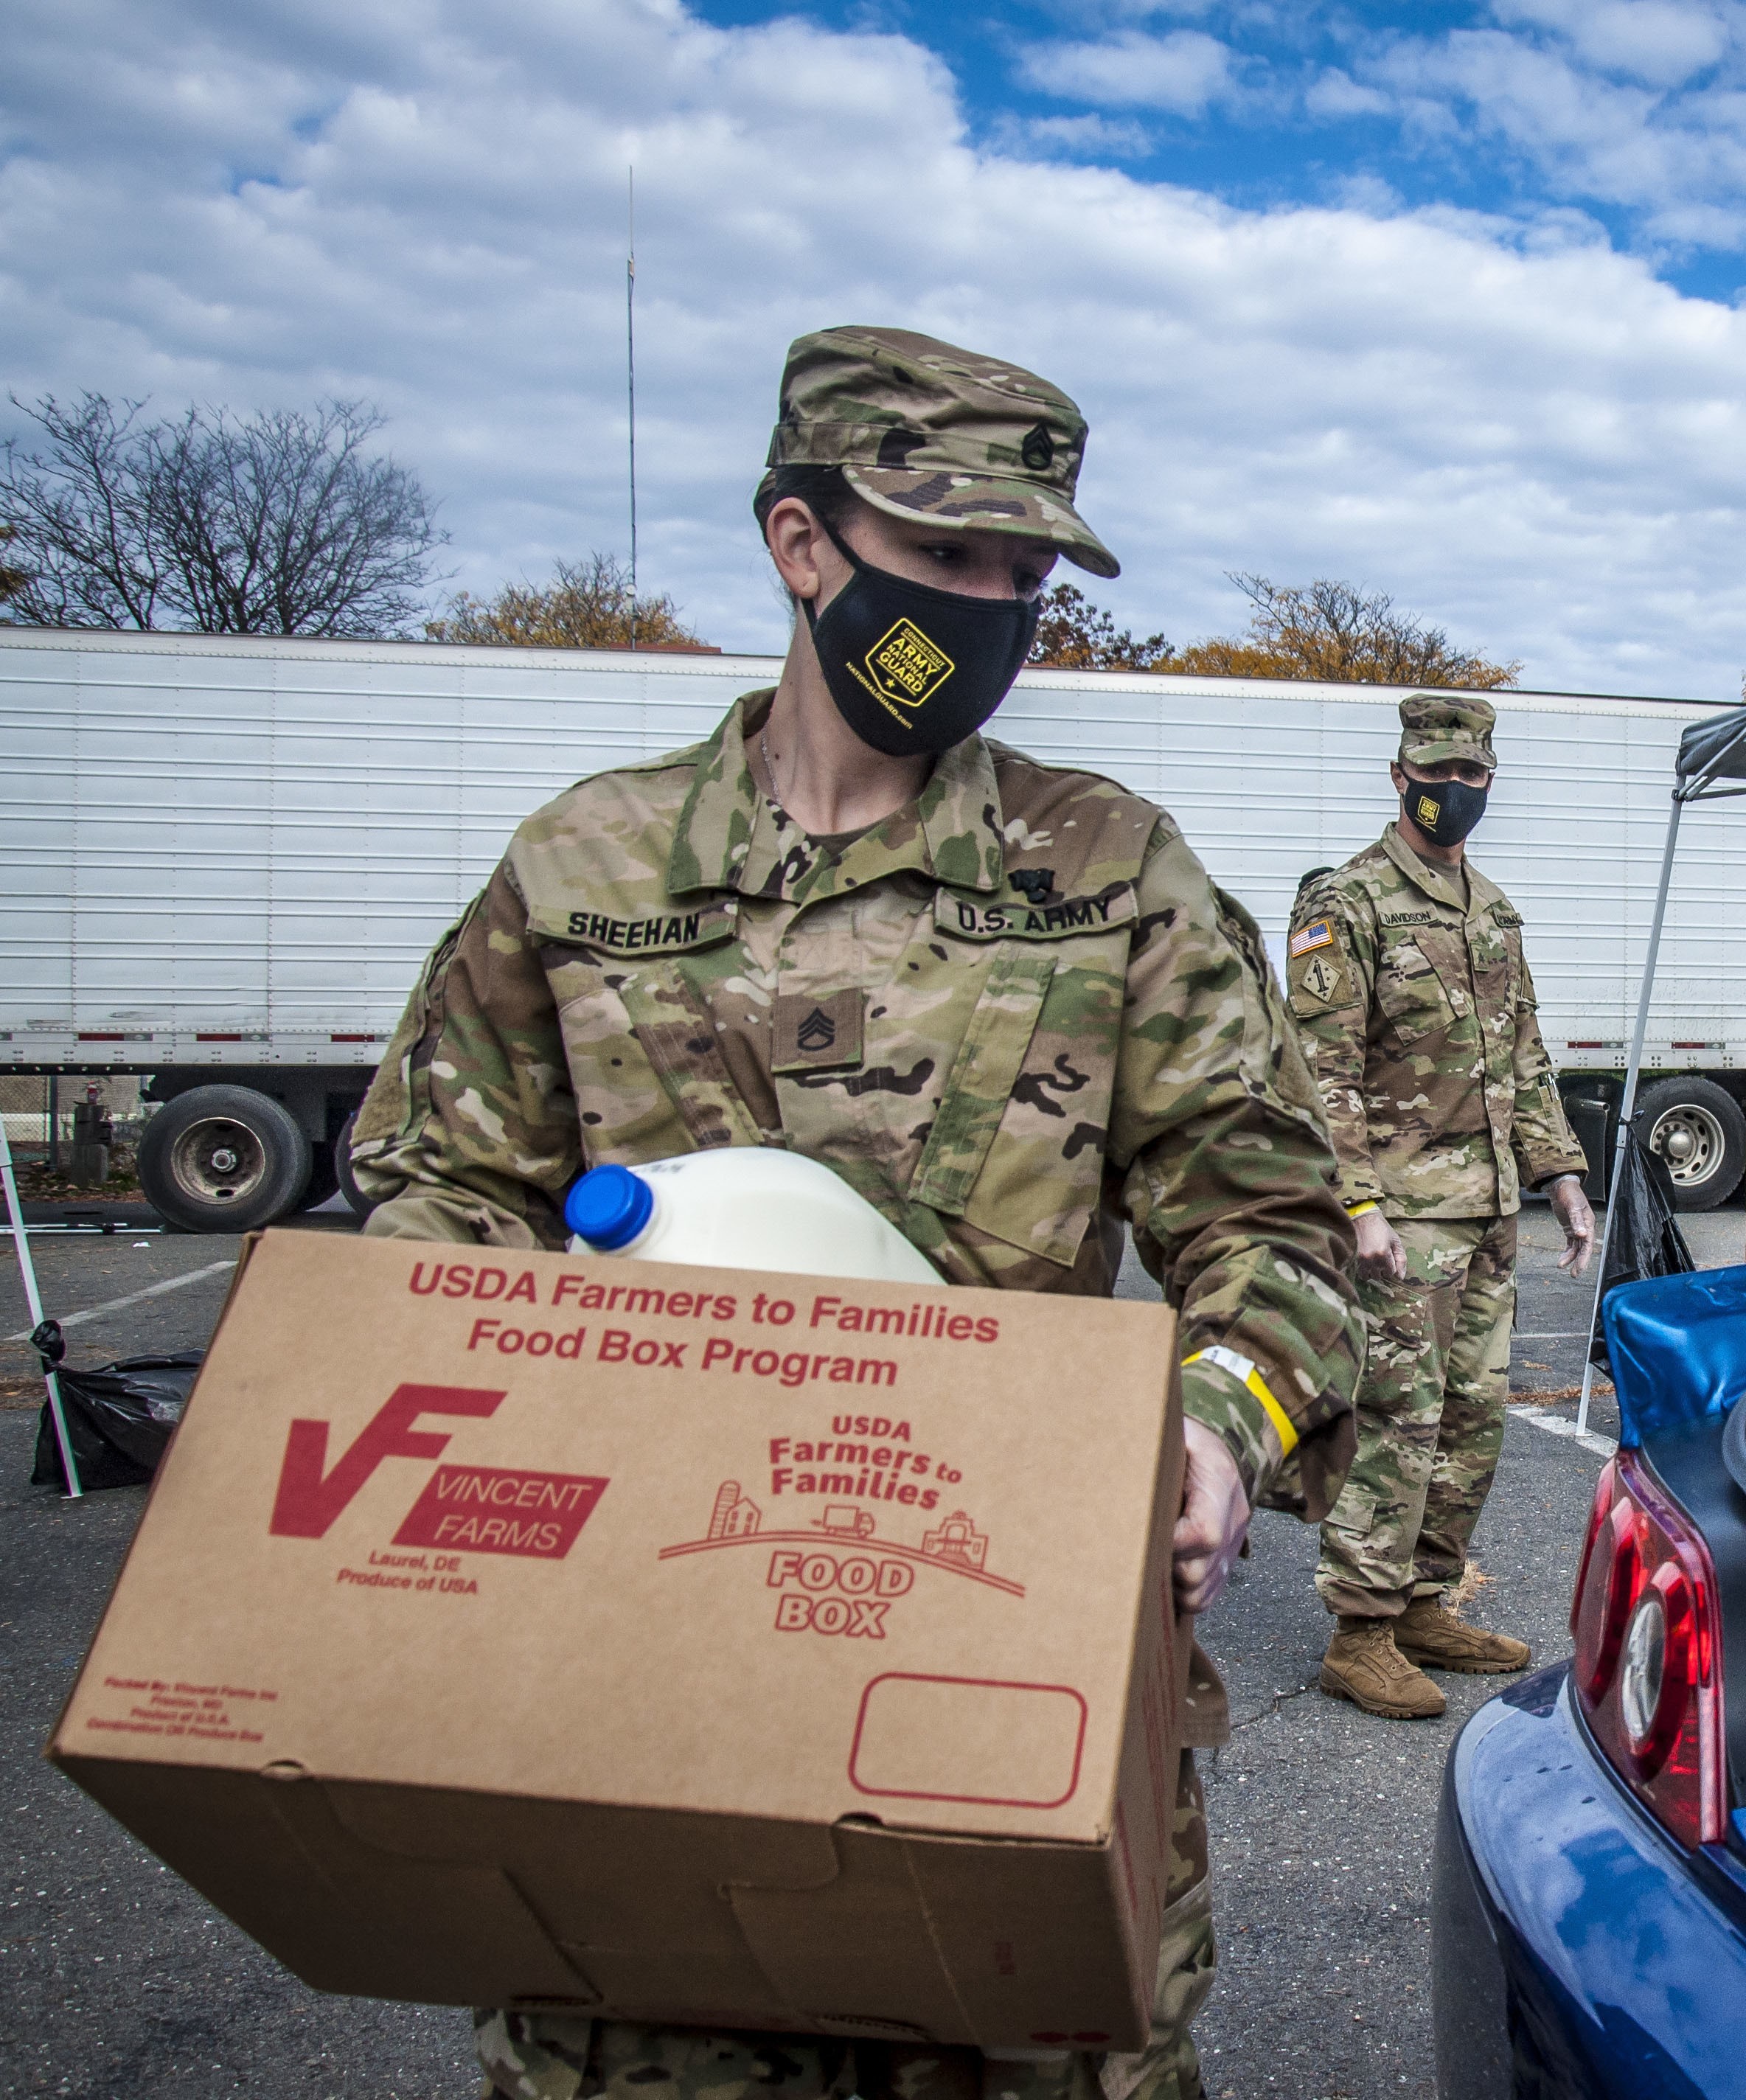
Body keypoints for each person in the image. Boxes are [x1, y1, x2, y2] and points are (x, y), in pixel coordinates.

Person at [349, 324, 1362, 2100]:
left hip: (997, 1711)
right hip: (627, 1714)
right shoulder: (585, 864)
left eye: (1025, 573)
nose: (988, 605)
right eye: (944, 552)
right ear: (800, 541)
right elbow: (435, 1199)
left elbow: (1275, 1227)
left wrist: (1219, 1426)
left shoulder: (1111, 868)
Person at [1286, 695, 1597, 1720]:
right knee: (1396, 1420)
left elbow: (1525, 1057)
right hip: (1404, 1221)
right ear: (1400, 774)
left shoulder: (1493, 911)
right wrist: (1360, 1204)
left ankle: (1424, 1602)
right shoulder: (1350, 903)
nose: (1454, 791)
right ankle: (1359, 1633)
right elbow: (1320, 1072)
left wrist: (1562, 1177)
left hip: (1491, 1210)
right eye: (1438, 772)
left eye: (1473, 775)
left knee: (1471, 1423)